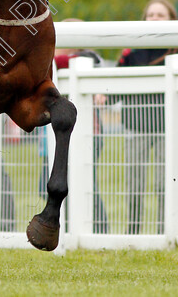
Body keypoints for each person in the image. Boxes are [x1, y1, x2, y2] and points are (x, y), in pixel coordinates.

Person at [112, 0, 178, 235]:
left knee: (164, 183)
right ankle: (133, 231)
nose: (154, 19)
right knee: (134, 183)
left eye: (160, 15)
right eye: (151, 15)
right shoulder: (131, 53)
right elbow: (115, 89)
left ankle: (165, 232)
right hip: (136, 127)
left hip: (169, 128)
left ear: (171, 19)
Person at [42, 22, 109, 233]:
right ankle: (69, 223)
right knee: (45, 183)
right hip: (52, 136)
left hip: (88, 135)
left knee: (87, 183)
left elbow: (72, 60)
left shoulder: (83, 60)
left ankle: (98, 228)